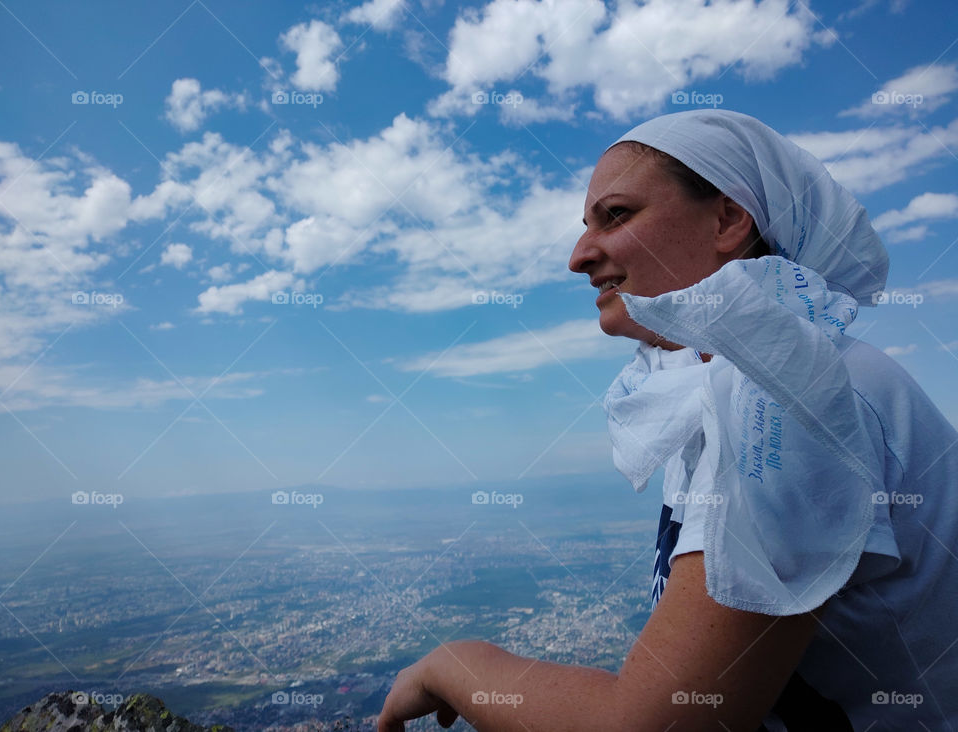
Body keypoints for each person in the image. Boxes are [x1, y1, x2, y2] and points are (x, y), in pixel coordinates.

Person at [377, 110, 958, 731]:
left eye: (617, 214)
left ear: (728, 219)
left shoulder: (788, 395)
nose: (579, 256)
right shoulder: (729, 385)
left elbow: (654, 725)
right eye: (585, 225)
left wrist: (454, 665)